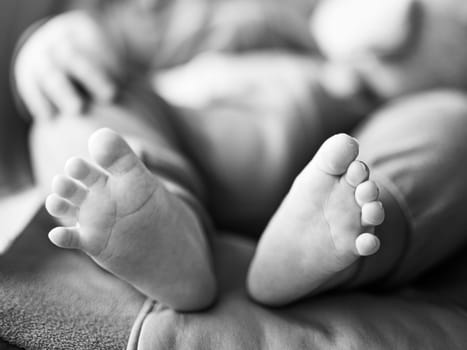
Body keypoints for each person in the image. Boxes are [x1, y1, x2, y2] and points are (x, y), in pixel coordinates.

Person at [13, 0, 467, 310]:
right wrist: (48, 45)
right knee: (73, 107)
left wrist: (400, 32)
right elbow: (72, 45)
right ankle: (162, 233)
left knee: (453, 119)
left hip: (344, 145)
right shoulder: (130, 16)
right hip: (177, 140)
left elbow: (433, 58)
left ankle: (318, 250)